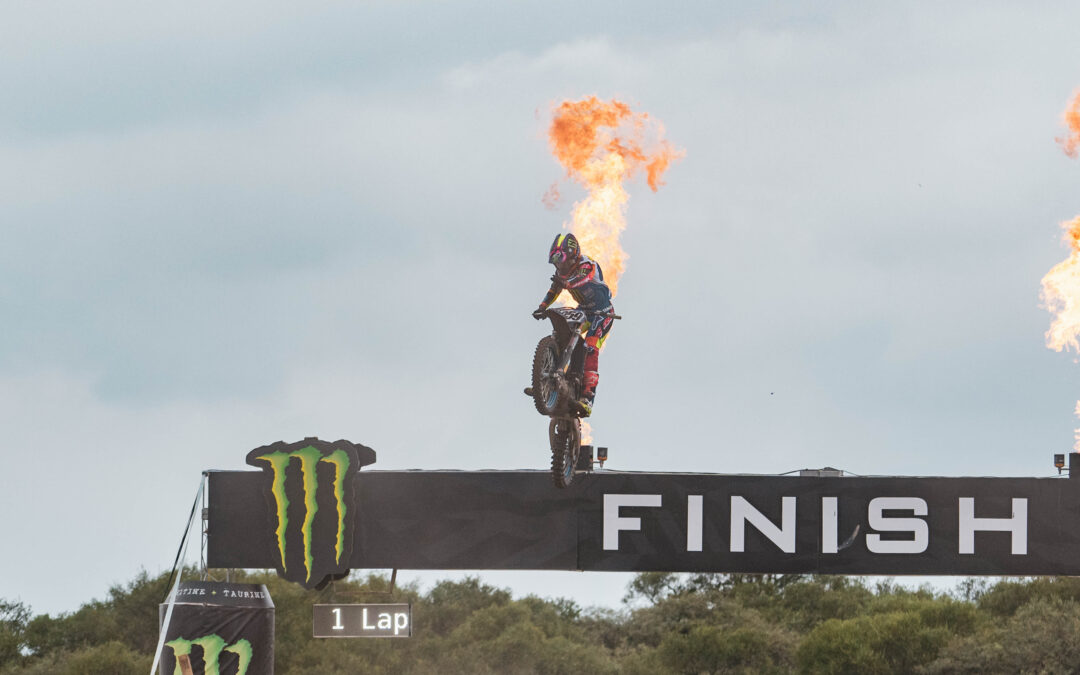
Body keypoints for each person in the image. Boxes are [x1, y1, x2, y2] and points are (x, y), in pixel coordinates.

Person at [533, 233, 615, 416]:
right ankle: (550, 381)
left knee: (591, 346)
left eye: (560, 259)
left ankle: (587, 397)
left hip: (602, 312)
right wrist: (542, 306)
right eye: (555, 261)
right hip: (584, 309)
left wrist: (566, 283)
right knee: (567, 334)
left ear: (572, 254)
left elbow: (582, 280)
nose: (558, 265)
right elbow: (554, 289)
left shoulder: (587, 265)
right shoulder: (561, 273)